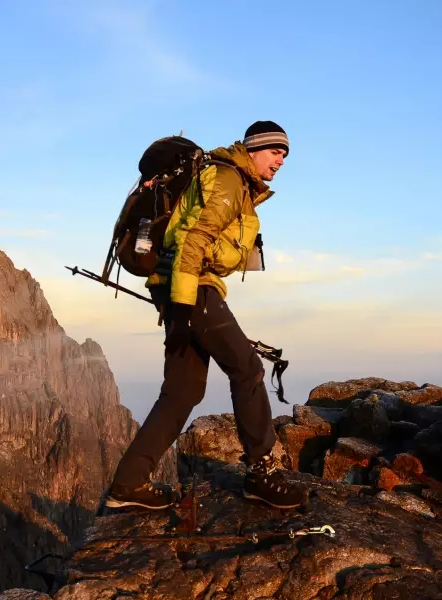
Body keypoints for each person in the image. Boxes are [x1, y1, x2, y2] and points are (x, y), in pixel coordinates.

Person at [105, 121, 306, 510]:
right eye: (274, 150)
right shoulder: (230, 180)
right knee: (247, 369)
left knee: (183, 391)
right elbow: (193, 239)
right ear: (253, 149)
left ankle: (128, 485)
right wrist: (183, 305)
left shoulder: (233, 183)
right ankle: (261, 473)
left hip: (179, 288)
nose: (281, 159)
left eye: (285, 153)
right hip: (192, 288)